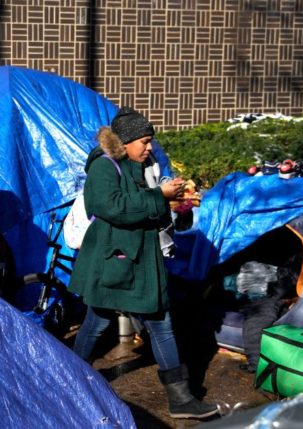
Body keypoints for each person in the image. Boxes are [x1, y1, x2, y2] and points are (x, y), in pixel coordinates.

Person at [68, 107, 219, 419]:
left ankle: (180, 399)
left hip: (142, 261)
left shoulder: (145, 165)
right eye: (145, 141)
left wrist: (175, 202)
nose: (150, 148)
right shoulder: (104, 166)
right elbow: (110, 206)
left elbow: (150, 207)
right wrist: (158, 197)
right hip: (114, 260)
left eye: (150, 141)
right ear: (125, 141)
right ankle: (70, 381)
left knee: (159, 323)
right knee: (97, 321)